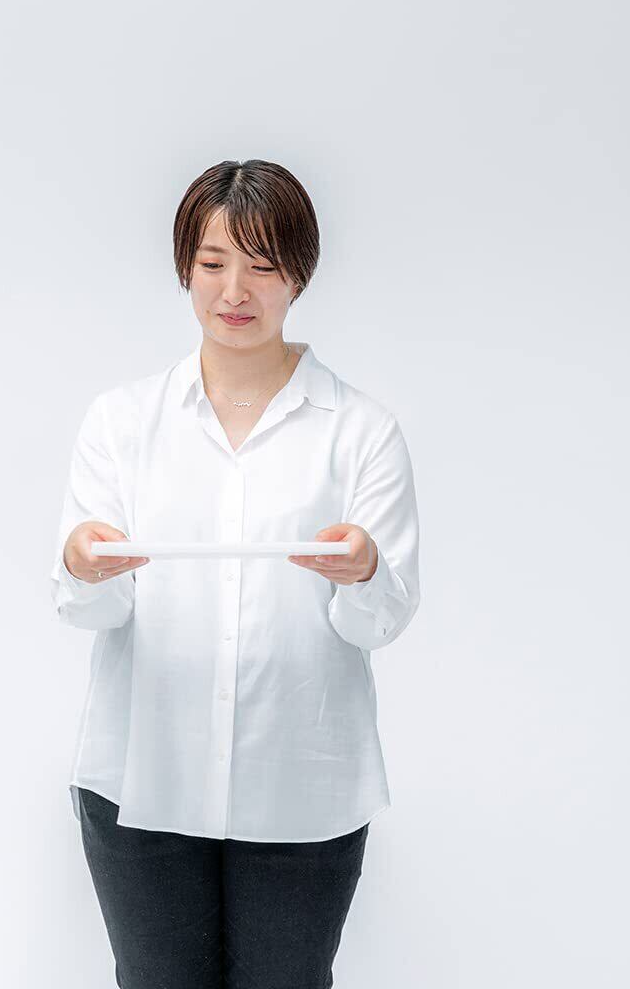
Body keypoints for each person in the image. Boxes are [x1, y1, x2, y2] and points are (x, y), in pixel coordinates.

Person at [50, 158, 421, 988]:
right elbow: (91, 611)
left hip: (302, 783)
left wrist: (362, 570)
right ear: (185, 267)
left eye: (261, 265)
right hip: (141, 775)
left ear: (299, 274)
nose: (234, 291)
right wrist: (83, 563)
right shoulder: (122, 422)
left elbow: (381, 621)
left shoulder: (360, 430)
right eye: (213, 263)